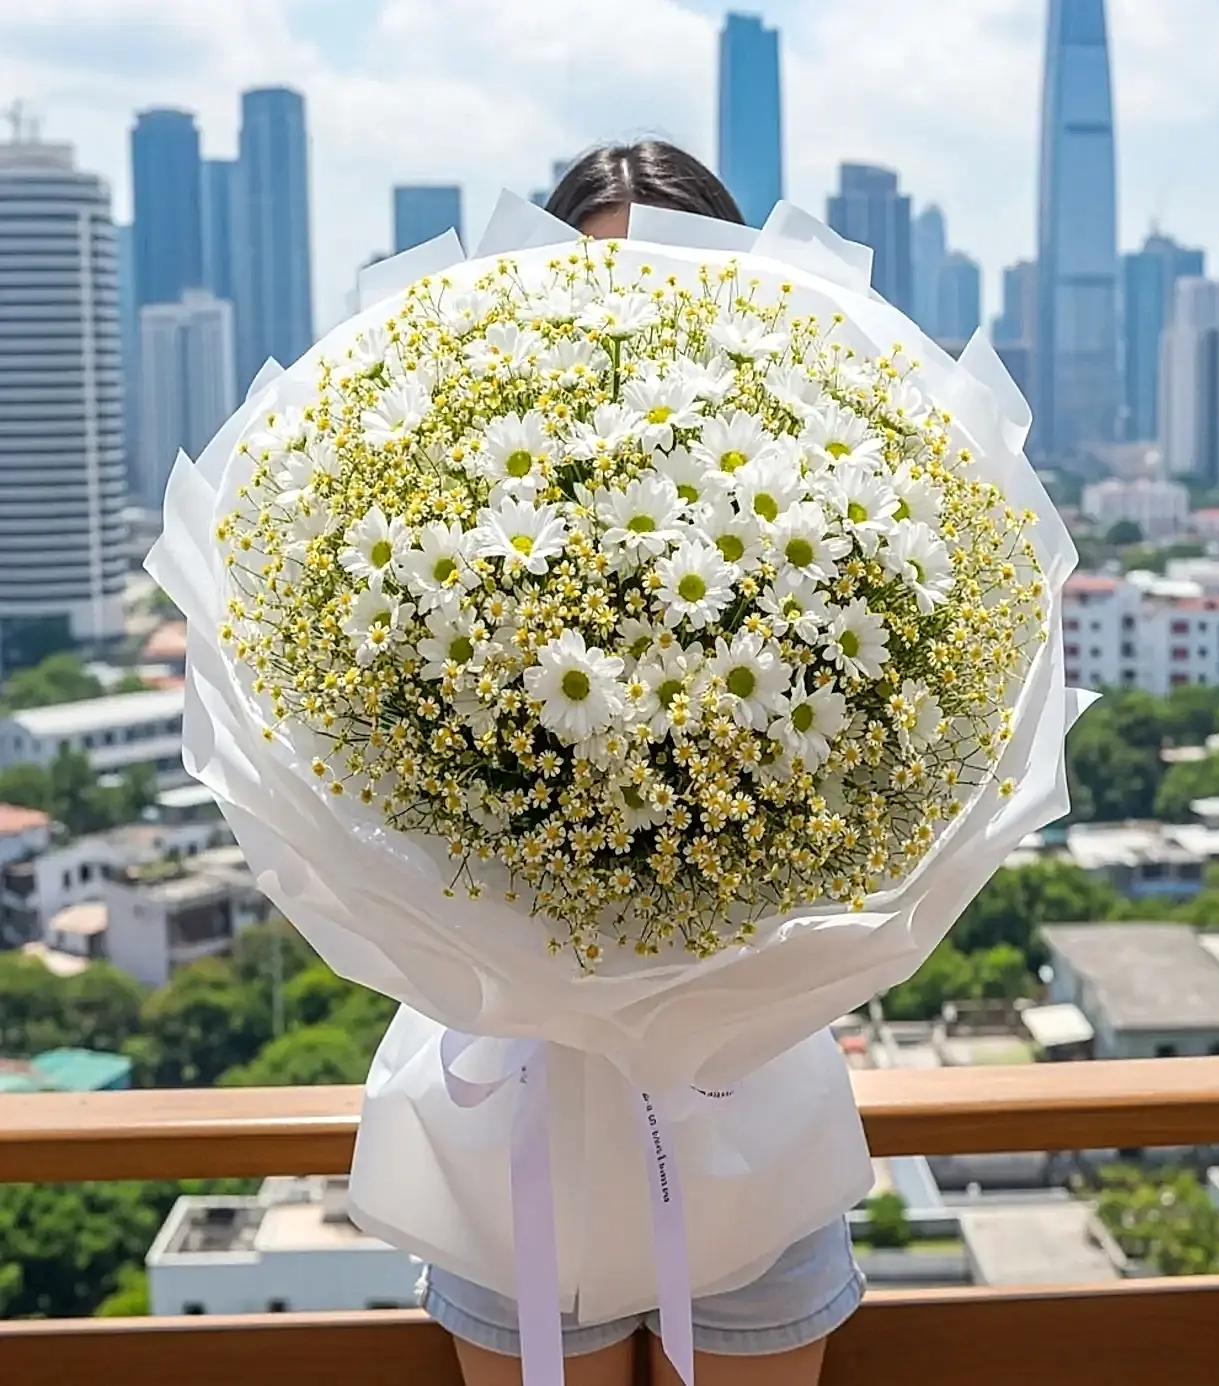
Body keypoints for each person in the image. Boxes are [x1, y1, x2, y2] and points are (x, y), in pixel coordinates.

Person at [413, 140, 866, 1386]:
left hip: (747, 1114)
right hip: (521, 1114)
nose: (635, 306)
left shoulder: (827, 501)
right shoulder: (451, 503)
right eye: (600, 277)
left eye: (677, 271)